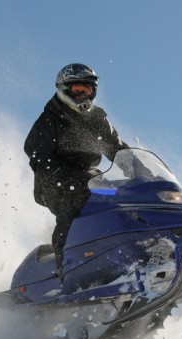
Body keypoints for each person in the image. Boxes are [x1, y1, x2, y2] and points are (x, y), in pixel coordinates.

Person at [24, 63, 128, 279]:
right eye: (77, 90)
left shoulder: (97, 118)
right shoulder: (49, 119)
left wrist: (139, 168)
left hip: (89, 178)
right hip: (52, 181)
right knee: (71, 207)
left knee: (122, 200)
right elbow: (37, 153)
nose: (83, 96)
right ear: (64, 89)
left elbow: (117, 147)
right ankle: (66, 271)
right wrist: (59, 177)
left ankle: (123, 257)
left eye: (87, 90)